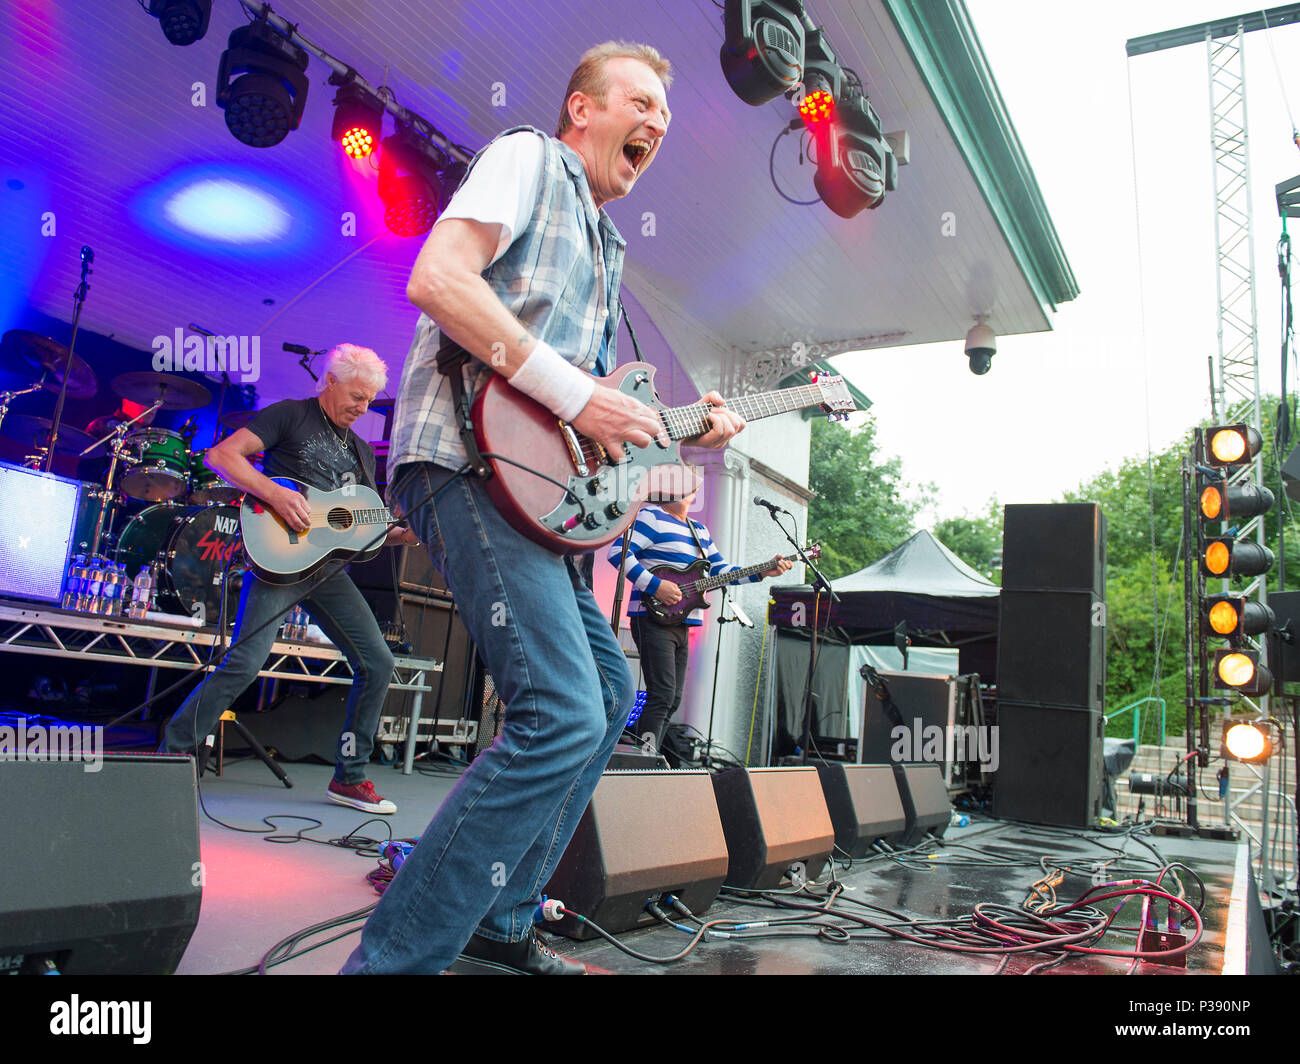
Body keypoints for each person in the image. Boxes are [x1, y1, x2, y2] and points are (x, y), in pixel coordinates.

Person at [343, 41, 747, 976]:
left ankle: (504, 918)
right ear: (581, 110)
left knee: (610, 692)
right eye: (640, 103)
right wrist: (578, 398)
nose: (657, 125)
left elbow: (589, 425)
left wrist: (680, 431)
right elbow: (439, 281)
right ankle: (392, 962)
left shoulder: (607, 250)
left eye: (666, 118)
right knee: (562, 707)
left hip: (539, 496)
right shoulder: (530, 156)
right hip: (463, 462)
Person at [158, 344, 416, 815]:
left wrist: (410, 534)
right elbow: (223, 457)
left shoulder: (360, 449)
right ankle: (172, 753)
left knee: (378, 662)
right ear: (330, 382)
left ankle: (349, 778)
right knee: (245, 663)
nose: (363, 408)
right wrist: (275, 492)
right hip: (279, 559)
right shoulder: (290, 416)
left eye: (370, 400)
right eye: (357, 396)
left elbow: (366, 527)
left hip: (328, 570)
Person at [609, 485, 792, 754]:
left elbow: (722, 571)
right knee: (662, 694)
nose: (687, 488)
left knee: (672, 699)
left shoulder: (700, 530)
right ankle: (643, 759)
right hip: (651, 616)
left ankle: (645, 752)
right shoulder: (651, 517)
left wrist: (764, 571)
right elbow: (618, 553)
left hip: (684, 620)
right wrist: (655, 585)